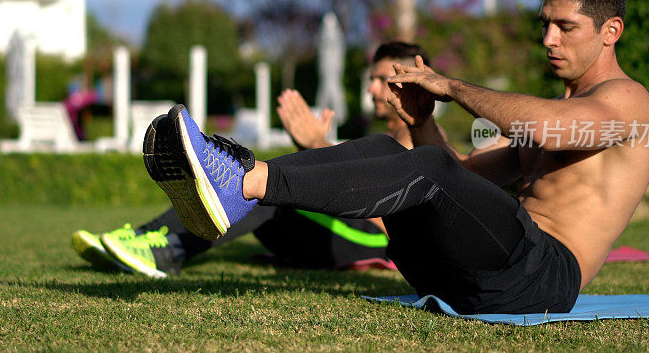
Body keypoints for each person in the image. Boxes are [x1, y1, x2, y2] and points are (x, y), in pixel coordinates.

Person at [141, 0, 649, 314]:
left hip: (542, 277)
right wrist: (422, 124)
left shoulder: (629, 106)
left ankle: (242, 181)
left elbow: (547, 131)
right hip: (463, 274)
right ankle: (240, 181)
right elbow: (456, 177)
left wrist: (452, 86)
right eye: (545, 23)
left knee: (426, 170)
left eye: (565, 27)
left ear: (609, 31)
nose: (548, 38)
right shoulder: (557, 109)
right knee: (399, 152)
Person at [74, 42, 429, 278]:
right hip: (340, 234)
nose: (371, 89)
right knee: (273, 181)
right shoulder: (383, 136)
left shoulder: (416, 139)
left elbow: (384, 210)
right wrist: (312, 149)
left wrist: (318, 144)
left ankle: (167, 250)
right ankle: (144, 237)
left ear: (412, 83)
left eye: (383, 80)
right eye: (371, 79)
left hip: (377, 241)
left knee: (268, 187)